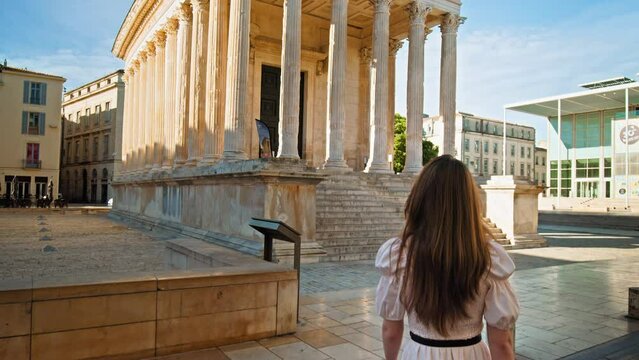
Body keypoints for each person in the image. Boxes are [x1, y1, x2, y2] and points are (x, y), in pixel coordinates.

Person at [376, 155, 519, 359]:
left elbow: (390, 331)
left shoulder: (399, 255)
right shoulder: (488, 257)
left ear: (420, 198)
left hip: (419, 353)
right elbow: (501, 342)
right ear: (469, 202)